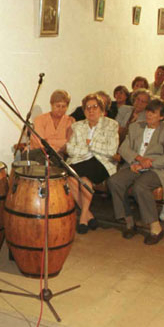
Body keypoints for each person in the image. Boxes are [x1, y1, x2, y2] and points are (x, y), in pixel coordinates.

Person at [107, 98, 164, 245]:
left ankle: (156, 227)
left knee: (141, 186)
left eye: (154, 112)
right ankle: (129, 222)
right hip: (135, 165)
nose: (149, 115)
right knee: (115, 181)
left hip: (156, 169)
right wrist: (138, 159)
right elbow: (123, 148)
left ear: (162, 116)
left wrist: (148, 163)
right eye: (148, 111)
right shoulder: (135, 127)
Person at [66, 93, 119, 234]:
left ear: (101, 109)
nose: (91, 110)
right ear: (83, 111)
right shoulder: (77, 126)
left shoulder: (111, 124)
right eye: (87, 108)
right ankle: (88, 215)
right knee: (74, 177)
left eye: (95, 107)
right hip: (80, 160)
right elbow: (70, 148)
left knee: (81, 175)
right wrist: (87, 149)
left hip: (102, 162)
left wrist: (91, 145)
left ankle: (83, 218)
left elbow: (111, 149)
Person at [23, 89, 74, 164]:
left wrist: (48, 141)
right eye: (58, 106)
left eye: (64, 106)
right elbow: (39, 143)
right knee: (44, 156)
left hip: (58, 155)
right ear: (51, 104)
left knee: (58, 158)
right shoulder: (40, 119)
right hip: (37, 153)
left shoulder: (70, 121)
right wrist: (60, 144)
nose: (60, 109)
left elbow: (70, 144)